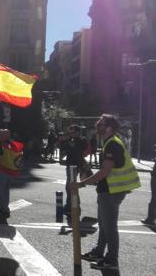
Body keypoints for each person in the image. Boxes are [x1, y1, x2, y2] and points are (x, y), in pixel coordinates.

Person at [73, 114, 141, 271]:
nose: (97, 126)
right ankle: (98, 252)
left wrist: (81, 183)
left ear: (109, 128)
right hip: (108, 190)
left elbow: (104, 171)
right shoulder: (109, 142)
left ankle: (112, 260)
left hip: (112, 191)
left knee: (109, 227)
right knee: (104, 225)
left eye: (101, 124)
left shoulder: (112, 144)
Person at [0, 129, 23, 220]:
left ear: (2, 136)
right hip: (12, 171)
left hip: (3, 171)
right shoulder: (13, 144)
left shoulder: (1, 146)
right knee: (6, 191)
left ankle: (4, 209)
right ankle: (4, 207)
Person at [59, 125, 87, 216]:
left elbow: (78, 150)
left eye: (73, 132)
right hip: (70, 165)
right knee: (70, 186)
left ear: (78, 132)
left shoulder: (80, 140)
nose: (71, 134)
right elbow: (63, 149)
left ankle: (74, 206)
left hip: (74, 166)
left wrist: (66, 140)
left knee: (71, 186)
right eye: (70, 132)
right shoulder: (71, 140)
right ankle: (72, 206)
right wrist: (62, 141)